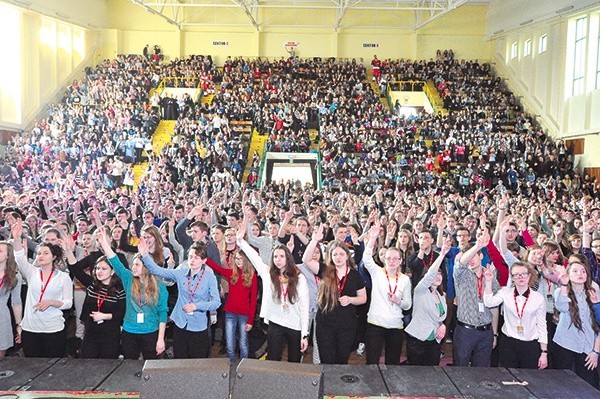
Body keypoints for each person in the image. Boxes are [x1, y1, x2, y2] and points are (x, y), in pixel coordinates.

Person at [236, 222, 309, 362]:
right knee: (273, 359)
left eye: (282, 256)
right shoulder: (268, 273)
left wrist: (304, 334)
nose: (278, 260)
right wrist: (241, 241)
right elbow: (254, 257)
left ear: (288, 258)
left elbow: (304, 308)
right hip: (276, 322)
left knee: (294, 361)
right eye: (275, 257)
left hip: (295, 325)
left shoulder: (299, 278)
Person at [139, 238, 220, 359]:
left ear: (204, 261)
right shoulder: (181, 272)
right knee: (180, 358)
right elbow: (157, 270)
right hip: (180, 323)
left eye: (196, 258)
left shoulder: (209, 277)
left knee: (196, 360)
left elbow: (216, 302)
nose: (192, 260)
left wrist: (197, 306)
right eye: (191, 256)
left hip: (198, 326)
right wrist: (145, 255)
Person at [96, 227, 168, 360]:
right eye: (133, 264)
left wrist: (160, 339)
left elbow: (163, 313)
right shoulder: (128, 278)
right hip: (129, 332)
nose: (133, 267)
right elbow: (115, 262)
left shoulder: (160, 286)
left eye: (137, 265)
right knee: (128, 367)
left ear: (146, 267)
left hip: (150, 332)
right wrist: (105, 244)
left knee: (150, 367)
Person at [303, 224, 367, 364]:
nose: (338, 257)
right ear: (330, 256)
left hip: (346, 325)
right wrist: (314, 241)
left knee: (342, 360)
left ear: (347, 256)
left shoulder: (355, 275)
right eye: (335, 254)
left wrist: (351, 299)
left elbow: (363, 298)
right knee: (326, 360)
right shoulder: (325, 270)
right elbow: (306, 260)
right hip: (325, 324)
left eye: (341, 254)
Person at [12, 219, 73, 358]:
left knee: (51, 367)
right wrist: (16, 238)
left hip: (53, 329)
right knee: (32, 367)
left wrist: (51, 302)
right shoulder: (32, 272)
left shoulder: (63, 277)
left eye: (45, 253)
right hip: (30, 328)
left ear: (54, 257)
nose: (41, 256)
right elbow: (20, 257)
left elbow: (68, 303)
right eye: (39, 253)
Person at [64, 234, 126, 359]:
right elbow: (75, 269)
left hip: (110, 334)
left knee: (107, 365)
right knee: (87, 364)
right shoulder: (92, 285)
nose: (99, 271)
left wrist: (105, 316)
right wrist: (68, 250)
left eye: (104, 268)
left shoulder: (119, 290)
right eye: (97, 268)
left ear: (112, 271)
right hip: (91, 333)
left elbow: (122, 312)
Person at [363, 223, 412, 365]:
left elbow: (408, 304)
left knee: (393, 364)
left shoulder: (405, 279)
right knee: (372, 362)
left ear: (401, 261)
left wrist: (398, 301)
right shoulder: (377, 272)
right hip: (375, 324)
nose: (392, 261)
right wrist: (372, 238)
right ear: (384, 259)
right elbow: (366, 259)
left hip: (395, 326)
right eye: (388, 258)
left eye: (395, 258)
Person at [483, 261, 548, 369]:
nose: (520, 277)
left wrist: (544, 352)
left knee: (528, 378)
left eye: (523, 274)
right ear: (512, 277)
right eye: (516, 275)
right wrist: (489, 282)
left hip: (530, 344)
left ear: (529, 276)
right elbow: (489, 303)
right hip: (508, 342)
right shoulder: (505, 292)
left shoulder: (538, 298)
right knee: (508, 376)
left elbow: (542, 325)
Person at [453, 229, 500, 367]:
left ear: (481, 256)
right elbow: (461, 263)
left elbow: (494, 308)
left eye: (475, 255)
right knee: (460, 368)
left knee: (482, 371)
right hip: (465, 331)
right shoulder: (461, 275)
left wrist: (495, 333)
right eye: (469, 256)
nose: (471, 260)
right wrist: (478, 245)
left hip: (486, 332)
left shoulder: (490, 276)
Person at [552, 261, 600, 390]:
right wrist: (563, 285)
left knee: (591, 386)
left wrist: (596, 351)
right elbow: (561, 307)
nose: (580, 274)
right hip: (565, 343)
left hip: (588, 347)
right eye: (575, 271)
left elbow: (599, 324)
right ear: (568, 274)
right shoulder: (560, 291)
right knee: (562, 386)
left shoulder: (594, 292)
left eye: (583, 271)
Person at [205, 250, 258, 362]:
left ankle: (244, 367)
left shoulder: (252, 277)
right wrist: (204, 258)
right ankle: (232, 366)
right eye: (236, 259)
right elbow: (217, 268)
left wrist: (251, 321)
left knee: (243, 344)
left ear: (247, 260)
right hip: (230, 313)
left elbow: (253, 300)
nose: (238, 261)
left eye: (241, 259)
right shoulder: (231, 273)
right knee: (229, 344)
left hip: (244, 314)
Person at [405, 238, 450, 365]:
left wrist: (442, 325)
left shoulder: (440, 296)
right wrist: (441, 255)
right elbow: (430, 274)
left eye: (440, 274)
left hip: (434, 341)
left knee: (432, 376)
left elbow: (439, 317)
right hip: (418, 340)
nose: (438, 276)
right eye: (436, 274)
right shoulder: (420, 291)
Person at [0, 241, 22, 359]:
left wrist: (19, 325)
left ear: (8, 255)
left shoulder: (14, 275)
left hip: (2, 317)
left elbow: (16, 302)